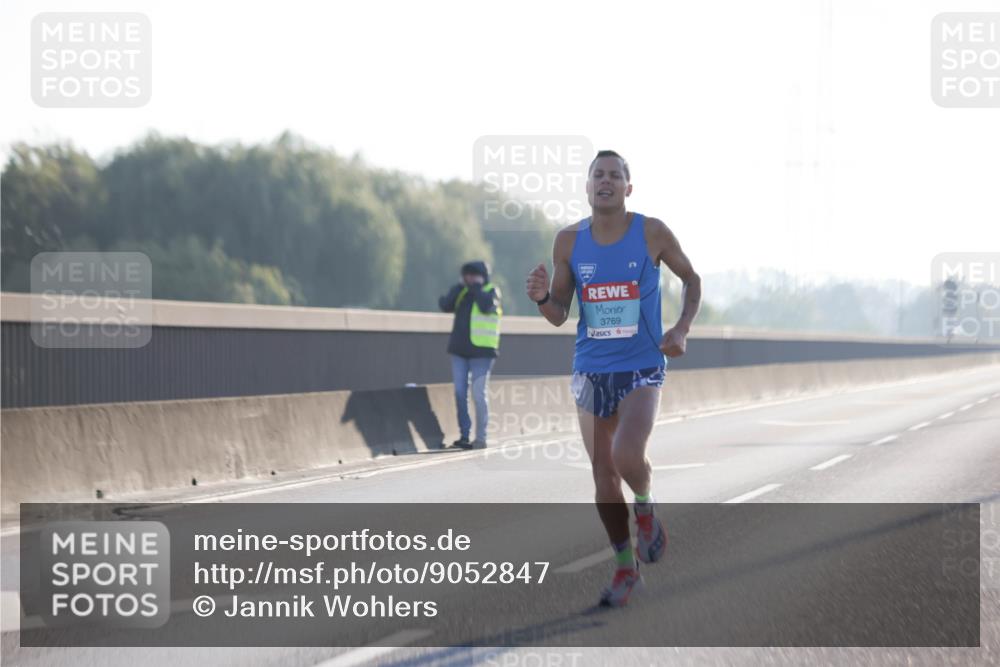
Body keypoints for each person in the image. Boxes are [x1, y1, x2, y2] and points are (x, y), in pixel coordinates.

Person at [524, 150, 701, 607]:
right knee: (602, 476)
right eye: (597, 175)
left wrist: (680, 328)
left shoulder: (651, 232)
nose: (605, 181)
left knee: (626, 454)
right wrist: (542, 297)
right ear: (587, 188)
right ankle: (625, 567)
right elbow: (560, 314)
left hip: (641, 367)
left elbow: (692, 278)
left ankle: (645, 504)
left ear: (628, 187)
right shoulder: (568, 242)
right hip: (590, 371)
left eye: (614, 175)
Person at [439, 261, 503, 450]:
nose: (470, 278)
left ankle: (481, 437)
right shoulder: (462, 292)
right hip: (460, 350)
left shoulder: (491, 291)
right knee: (460, 392)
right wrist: (459, 287)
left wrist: (476, 288)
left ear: (483, 276)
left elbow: (485, 306)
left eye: (474, 275)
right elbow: (445, 305)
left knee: (478, 393)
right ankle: (464, 435)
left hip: (482, 353)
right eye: (467, 275)